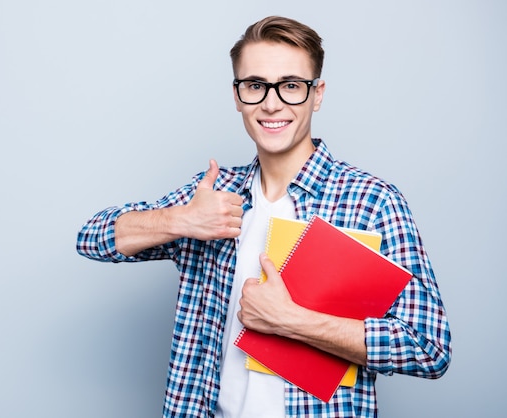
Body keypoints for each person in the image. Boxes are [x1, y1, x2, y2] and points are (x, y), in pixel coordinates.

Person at [77, 16, 451, 418]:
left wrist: (291, 321)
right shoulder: (212, 196)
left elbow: (428, 347)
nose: (272, 104)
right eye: (255, 86)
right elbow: (92, 238)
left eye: (291, 86)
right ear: (237, 96)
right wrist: (181, 221)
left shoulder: (371, 202)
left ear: (317, 94)